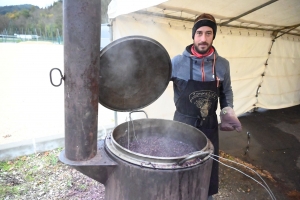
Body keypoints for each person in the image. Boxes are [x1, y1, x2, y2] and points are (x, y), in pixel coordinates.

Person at [171, 13, 242, 199]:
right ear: (193, 35)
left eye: (208, 33)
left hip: (209, 125)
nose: (203, 39)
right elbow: (154, 83)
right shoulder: (177, 62)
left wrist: (227, 112)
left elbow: (226, 92)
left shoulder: (223, 65)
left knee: (207, 168)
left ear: (213, 35)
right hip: (182, 124)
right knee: (180, 167)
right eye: (199, 33)